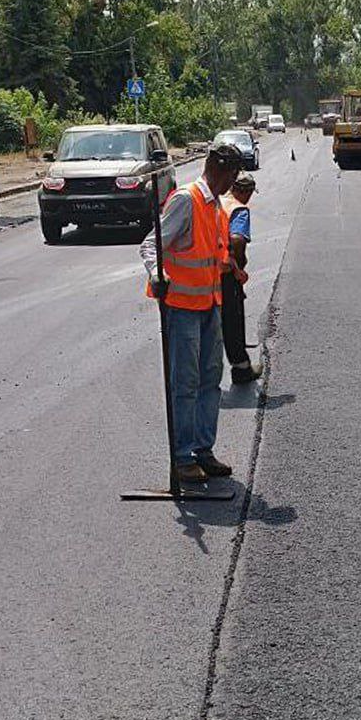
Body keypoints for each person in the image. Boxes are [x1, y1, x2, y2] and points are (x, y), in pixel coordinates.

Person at [139, 144, 246, 483]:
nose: (233, 181)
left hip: (209, 305)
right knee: (185, 384)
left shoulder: (214, 204)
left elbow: (204, 250)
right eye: (232, 174)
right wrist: (158, 273)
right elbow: (150, 244)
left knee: (210, 381)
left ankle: (203, 450)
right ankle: (183, 457)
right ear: (220, 170)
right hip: (182, 308)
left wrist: (227, 265)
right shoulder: (187, 199)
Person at [221, 172, 261, 384]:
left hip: (208, 271)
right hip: (226, 273)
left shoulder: (220, 201)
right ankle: (242, 369)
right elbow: (237, 240)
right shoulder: (239, 209)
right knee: (233, 321)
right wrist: (239, 264)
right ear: (245, 191)